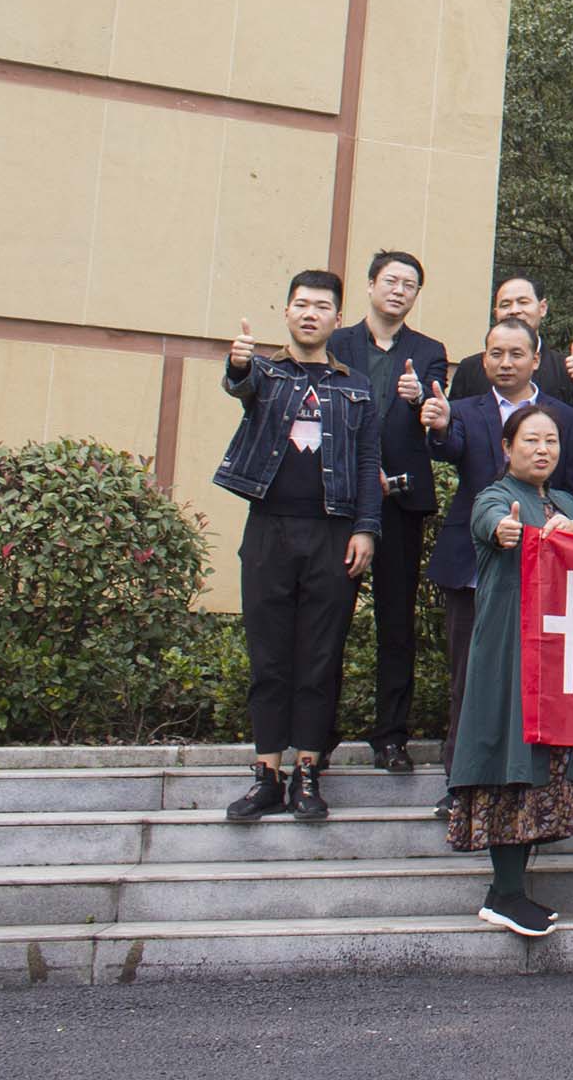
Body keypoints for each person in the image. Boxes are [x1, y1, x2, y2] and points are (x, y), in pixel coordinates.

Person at [214, 274, 381, 825]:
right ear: (286, 312)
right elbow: (239, 387)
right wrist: (239, 364)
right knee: (268, 657)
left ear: (338, 318)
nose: (311, 314)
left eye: (323, 307)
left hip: (333, 533)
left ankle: (307, 771)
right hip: (268, 530)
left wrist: (366, 529)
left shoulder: (357, 386)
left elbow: (364, 463)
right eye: (302, 305)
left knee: (319, 657)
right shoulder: (264, 374)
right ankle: (267, 773)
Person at [444, 402, 573, 937]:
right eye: (530, 440)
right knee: (509, 765)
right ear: (507, 449)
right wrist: (507, 533)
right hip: (509, 656)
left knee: (538, 773)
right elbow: (491, 526)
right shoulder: (497, 498)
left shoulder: (562, 501)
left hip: (554, 662)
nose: (542, 450)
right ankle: (504, 891)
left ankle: (510, 892)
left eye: (551, 441)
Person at [422, 319, 573, 776]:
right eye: (495, 353)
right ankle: (459, 780)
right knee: (468, 677)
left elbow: (568, 490)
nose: (505, 362)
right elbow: (451, 448)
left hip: (544, 575)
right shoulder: (462, 409)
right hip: (470, 564)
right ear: (483, 358)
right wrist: (439, 427)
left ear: (536, 359)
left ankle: (531, 780)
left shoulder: (565, 418)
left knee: (534, 681)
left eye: (516, 353)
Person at [323, 249, 445, 775]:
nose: (399, 290)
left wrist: (420, 400)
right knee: (329, 621)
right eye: (391, 280)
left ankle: (390, 737)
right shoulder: (336, 342)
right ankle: (316, 736)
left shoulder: (429, 351)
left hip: (399, 501)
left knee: (396, 624)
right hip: (337, 502)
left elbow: (435, 418)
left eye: (410, 285)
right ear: (371, 286)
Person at [450, 271, 573, 417]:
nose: (514, 311)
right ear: (496, 313)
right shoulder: (470, 369)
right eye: (505, 304)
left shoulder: (565, 369)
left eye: (523, 302)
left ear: (542, 308)